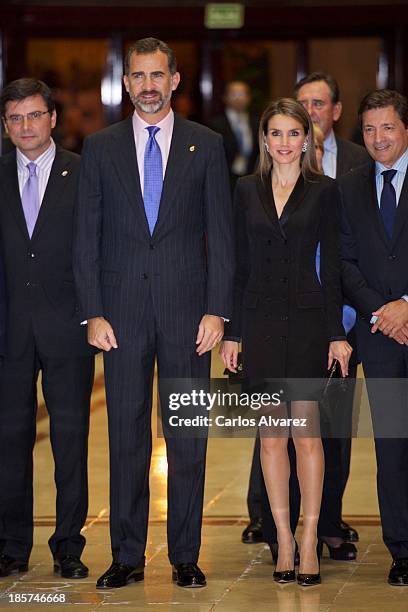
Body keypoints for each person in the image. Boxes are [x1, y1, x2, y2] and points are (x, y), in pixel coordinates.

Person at [73, 37, 234, 590]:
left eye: (157, 75)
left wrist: (219, 310)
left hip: (189, 315)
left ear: (175, 80)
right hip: (120, 317)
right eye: (138, 76)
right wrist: (92, 311)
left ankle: (186, 555)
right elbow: (85, 240)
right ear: (126, 83)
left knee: (187, 436)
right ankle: (126, 556)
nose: (147, 85)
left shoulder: (206, 144)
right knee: (126, 438)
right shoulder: (99, 147)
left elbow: (223, 234)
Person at [220, 98, 352, 586]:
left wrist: (338, 334)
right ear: (264, 139)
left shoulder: (325, 191)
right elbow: (236, 265)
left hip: (308, 323)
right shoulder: (244, 190)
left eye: (293, 133)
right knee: (271, 438)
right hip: (258, 324)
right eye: (275, 133)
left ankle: (312, 536)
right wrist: (232, 333)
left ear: (308, 138)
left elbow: (333, 264)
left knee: (307, 437)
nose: (284, 143)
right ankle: (284, 539)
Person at [0, 78, 95, 579]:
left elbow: (95, 253)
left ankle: (68, 546)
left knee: (70, 441)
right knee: (10, 441)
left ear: (53, 119)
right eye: (15, 118)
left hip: (68, 328)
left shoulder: (82, 173)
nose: (25, 126)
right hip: (9, 330)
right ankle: (11, 546)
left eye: (34, 115)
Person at [339, 89, 408, 586]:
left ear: (405, 128)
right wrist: (383, 311)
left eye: (387, 127)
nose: (378, 138)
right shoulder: (349, 186)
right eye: (369, 129)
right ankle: (402, 548)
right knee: (393, 447)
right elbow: (344, 262)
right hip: (380, 337)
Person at [209, 81, 259, 190]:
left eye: (242, 94)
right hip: (223, 181)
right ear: (225, 98)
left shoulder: (257, 123)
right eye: (234, 94)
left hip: (251, 180)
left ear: (249, 98)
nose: (238, 98)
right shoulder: (215, 124)